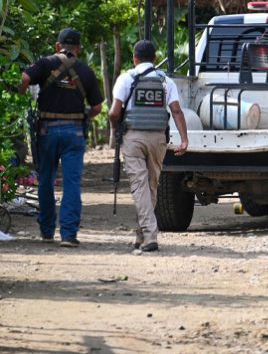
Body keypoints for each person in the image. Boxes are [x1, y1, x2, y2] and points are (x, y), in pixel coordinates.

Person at [19, 27, 103, 247]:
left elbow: (25, 77)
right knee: (72, 183)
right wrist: (82, 115)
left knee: (46, 180)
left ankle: (47, 231)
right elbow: (97, 107)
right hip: (74, 132)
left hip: (46, 130)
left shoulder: (45, 64)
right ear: (79, 49)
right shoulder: (85, 71)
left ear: (58, 46)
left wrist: (20, 93)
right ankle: (68, 235)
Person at [108, 40, 188, 253]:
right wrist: (184, 139)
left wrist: (115, 128)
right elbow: (177, 111)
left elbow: (114, 112)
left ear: (134, 58)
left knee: (139, 185)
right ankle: (142, 234)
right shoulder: (165, 81)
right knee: (151, 185)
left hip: (133, 137)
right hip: (158, 139)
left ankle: (150, 235)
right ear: (154, 59)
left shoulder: (127, 78)